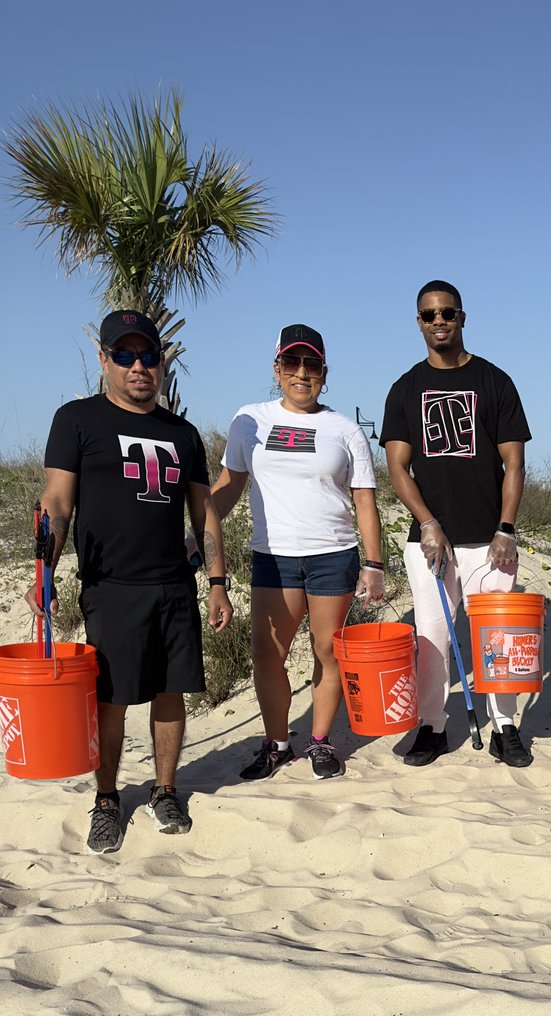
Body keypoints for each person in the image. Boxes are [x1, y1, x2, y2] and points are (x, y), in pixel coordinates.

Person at [26, 309, 233, 854]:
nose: (137, 365)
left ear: (161, 363)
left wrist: (217, 580)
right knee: (111, 700)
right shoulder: (76, 419)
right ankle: (108, 799)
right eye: (124, 355)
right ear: (104, 360)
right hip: (110, 586)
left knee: (171, 693)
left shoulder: (183, 433)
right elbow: (57, 502)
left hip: (173, 584)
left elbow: (203, 512)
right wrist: (43, 570)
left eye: (147, 355)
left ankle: (166, 789)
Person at [209, 325, 385, 781]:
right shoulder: (250, 419)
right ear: (277, 369)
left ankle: (321, 742)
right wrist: (196, 535)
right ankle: (277, 743)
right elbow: (228, 488)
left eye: (311, 365)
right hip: (273, 556)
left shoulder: (344, 430)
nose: (301, 373)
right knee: (268, 653)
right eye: (292, 363)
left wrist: (374, 563)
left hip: (333, 554)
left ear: (324, 372)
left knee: (328, 651)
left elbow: (364, 499)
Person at [380, 280, 534, 768]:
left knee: (498, 638)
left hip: (490, 542)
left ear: (462, 317)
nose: (439, 321)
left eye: (447, 313)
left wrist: (506, 528)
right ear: (419, 322)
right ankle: (432, 726)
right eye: (429, 315)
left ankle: (504, 726)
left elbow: (514, 463)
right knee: (432, 639)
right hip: (430, 544)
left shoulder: (495, 381)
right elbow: (397, 468)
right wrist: (427, 523)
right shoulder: (405, 388)